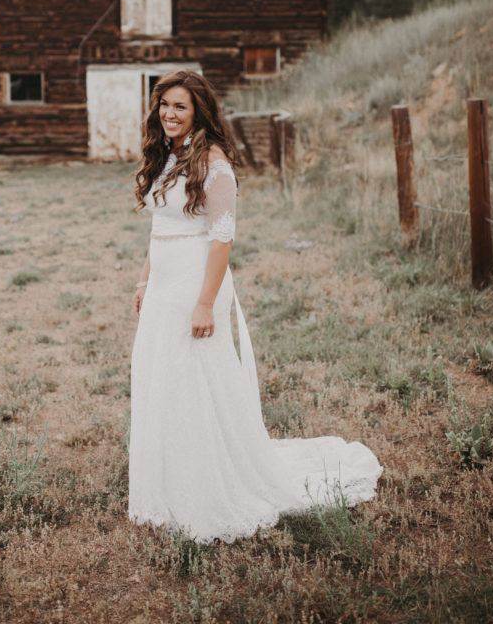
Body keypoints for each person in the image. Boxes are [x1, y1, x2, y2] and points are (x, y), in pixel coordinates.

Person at [129, 70, 382, 543]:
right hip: (164, 284)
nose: (169, 113)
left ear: (198, 111)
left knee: (194, 378)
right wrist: (145, 278)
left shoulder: (214, 164)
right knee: (161, 375)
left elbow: (221, 240)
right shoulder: (168, 157)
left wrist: (205, 303)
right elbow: (160, 227)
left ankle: (209, 486)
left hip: (195, 284)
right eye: (164, 104)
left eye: (180, 106)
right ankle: (170, 480)